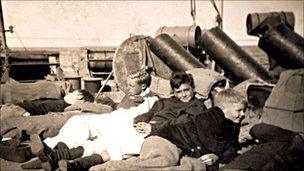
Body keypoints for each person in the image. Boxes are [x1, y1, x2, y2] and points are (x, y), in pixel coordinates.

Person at [28, 70, 158, 171]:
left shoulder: (151, 100)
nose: (128, 88)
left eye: (131, 85)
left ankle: (51, 154)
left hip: (120, 123)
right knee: (77, 120)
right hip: (114, 117)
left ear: (143, 86)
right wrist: (111, 103)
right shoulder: (133, 94)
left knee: (87, 126)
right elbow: (119, 107)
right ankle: (51, 151)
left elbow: (138, 116)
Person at [148, 88, 247, 167]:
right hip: (165, 139)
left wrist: (219, 153)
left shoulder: (232, 126)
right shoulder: (210, 116)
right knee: (164, 162)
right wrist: (219, 154)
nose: (243, 114)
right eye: (239, 110)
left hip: (180, 147)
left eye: (244, 110)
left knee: (189, 167)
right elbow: (211, 145)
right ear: (223, 109)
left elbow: (232, 147)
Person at [134, 71, 207, 134]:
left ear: (193, 88)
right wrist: (139, 122)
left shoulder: (196, 105)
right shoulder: (164, 102)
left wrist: (152, 127)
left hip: (164, 133)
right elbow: (150, 113)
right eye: (179, 92)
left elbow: (180, 123)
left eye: (186, 90)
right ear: (174, 93)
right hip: (147, 128)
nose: (183, 95)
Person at [1, 90, 94, 118]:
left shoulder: (65, 108)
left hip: (17, 111)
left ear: (79, 96)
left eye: (73, 93)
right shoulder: (59, 101)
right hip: (12, 107)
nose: (69, 93)